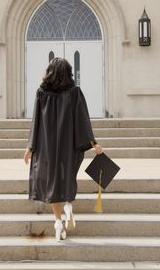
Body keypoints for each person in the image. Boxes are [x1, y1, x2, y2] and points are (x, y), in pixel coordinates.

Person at [24, 57, 102, 241]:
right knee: (67, 178)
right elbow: (82, 120)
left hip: (46, 147)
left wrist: (30, 147)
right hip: (68, 146)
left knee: (52, 183)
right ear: (68, 73)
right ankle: (68, 206)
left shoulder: (41, 93)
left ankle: (58, 223)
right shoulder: (74, 93)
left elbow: (35, 122)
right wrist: (92, 143)